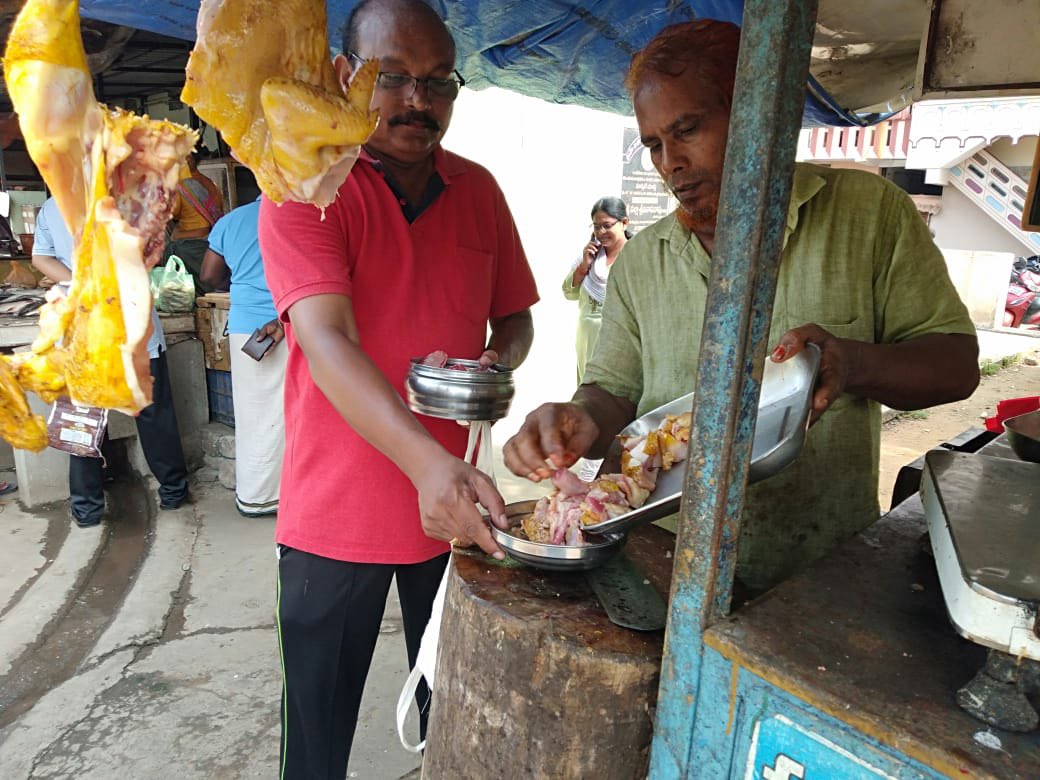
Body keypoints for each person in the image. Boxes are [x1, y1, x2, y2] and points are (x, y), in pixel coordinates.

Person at [504, 19, 980, 598]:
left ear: (761, 114)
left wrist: (853, 364)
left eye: (687, 130)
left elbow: (955, 365)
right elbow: (613, 393)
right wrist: (577, 421)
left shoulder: (870, 214)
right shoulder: (641, 262)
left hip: (819, 572)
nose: (670, 162)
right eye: (654, 144)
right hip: (665, 563)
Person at [257, 1, 538, 775]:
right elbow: (326, 338)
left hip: (453, 515)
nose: (418, 101)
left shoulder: (479, 190)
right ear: (348, 77)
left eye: (438, 83)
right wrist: (424, 465)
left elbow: (515, 318)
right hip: (333, 518)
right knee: (314, 746)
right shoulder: (304, 187)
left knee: (452, 727)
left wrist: (498, 363)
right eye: (393, 79)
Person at [31, 197, 190, 527]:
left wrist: (78, 281)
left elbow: (40, 257)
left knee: (83, 418)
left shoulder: (54, 203)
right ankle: (173, 492)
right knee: (152, 412)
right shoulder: (126, 196)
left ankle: (87, 510)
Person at [200, 197, 286, 518]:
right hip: (290, 325)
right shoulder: (300, 216)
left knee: (252, 416)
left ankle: (255, 496)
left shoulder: (231, 222)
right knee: (291, 416)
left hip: (244, 328)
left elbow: (209, 276)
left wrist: (239, 284)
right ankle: (285, 495)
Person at [563, 196, 631, 384]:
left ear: (624, 223)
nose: (601, 232)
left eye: (607, 225)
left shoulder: (634, 257)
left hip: (618, 339)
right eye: (596, 226)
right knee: (586, 393)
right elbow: (568, 293)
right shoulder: (591, 256)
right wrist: (584, 265)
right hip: (586, 338)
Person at [164, 150, 224, 293]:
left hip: (190, 241)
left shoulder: (183, 186)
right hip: (210, 237)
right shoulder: (210, 182)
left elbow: (171, 213)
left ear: (189, 160)